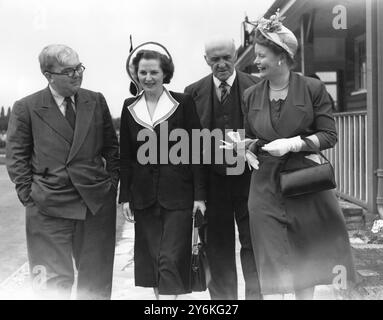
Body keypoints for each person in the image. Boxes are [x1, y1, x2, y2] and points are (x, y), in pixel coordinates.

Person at [241, 12, 355, 299]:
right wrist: (246, 148)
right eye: (256, 55)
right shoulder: (251, 95)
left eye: (262, 55)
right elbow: (252, 135)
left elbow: (329, 136)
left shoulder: (313, 88)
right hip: (264, 185)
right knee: (271, 254)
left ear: (281, 56)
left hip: (303, 182)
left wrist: (293, 144)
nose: (256, 61)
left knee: (305, 252)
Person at [6, 44, 119, 299]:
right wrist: (31, 198)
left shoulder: (96, 100)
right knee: (51, 285)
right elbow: (17, 158)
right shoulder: (27, 107)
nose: (77, 75)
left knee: (97, 283)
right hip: (48, 208)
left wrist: (110, 186)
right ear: (48, 75)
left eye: (79, 68)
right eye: (68, 71)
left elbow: (112, 149)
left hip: (95, 205)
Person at [119, 47, 207, 300]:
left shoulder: (183, 103)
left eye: (154, 72)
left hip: (179, 195)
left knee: (171, 258)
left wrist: (199, 197)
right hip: (144, 196)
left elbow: (197, 151)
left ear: (165, 73)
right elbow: (126, 156)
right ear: (135, 74)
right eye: (142, 72)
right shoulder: (129, 107)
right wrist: (125, 196)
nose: (147, 77)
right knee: (154, 260)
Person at [185, 36, 262, 300]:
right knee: (217, 248)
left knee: (255, 244)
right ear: (206, 60)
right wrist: (197, 194)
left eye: (226, 58)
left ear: (236, 55)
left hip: (250, 180)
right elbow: (190, 147)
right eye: (214, 59)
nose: (221, 64)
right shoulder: (192, 92)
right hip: (213, 182)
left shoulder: (257, 86)